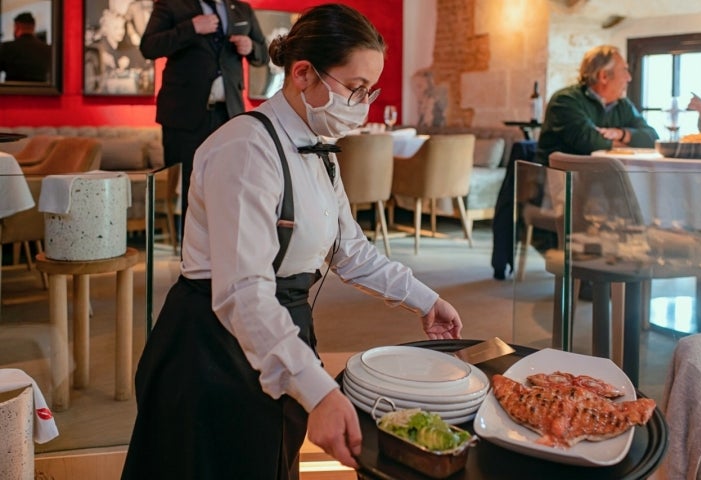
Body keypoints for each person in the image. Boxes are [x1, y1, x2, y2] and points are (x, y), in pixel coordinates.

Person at [121, 4, 463, 479]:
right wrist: (318, 389)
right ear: (303, 73)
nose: (363, 103)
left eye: (371, 90)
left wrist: (425, 300)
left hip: (283, 331)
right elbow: (243, 292)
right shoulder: (245, 147)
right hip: (212, 350)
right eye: (355, 87)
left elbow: (352, 251)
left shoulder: (319, 148)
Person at [491, 44, 659, 280]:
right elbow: (589, 142)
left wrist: (621, 134)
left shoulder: (622, 106)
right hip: (557, 190)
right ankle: (593, 273)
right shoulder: (565, 101)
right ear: (603, 76)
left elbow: (652, 138)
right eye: (625, 70)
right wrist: (622, 141)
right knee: (617, 203)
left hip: (600, 190)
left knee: (630, 201)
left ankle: (618, 271)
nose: (629, 78)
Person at [139, 0, 269, 240]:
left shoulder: (242, 10)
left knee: (231, 186)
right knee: (189, 189)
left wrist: (251, 47)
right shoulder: (171, 5)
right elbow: (148, 47)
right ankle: (189, 263)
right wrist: (191, 28)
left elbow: (264, 53)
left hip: (229, 116)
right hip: (185, 117)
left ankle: (225, 250)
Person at [0, 12, 51, 82]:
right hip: (41, 92)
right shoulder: (49, 50)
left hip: (13, 92)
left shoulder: (6, 48)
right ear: (33, 27)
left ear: (17, 26)